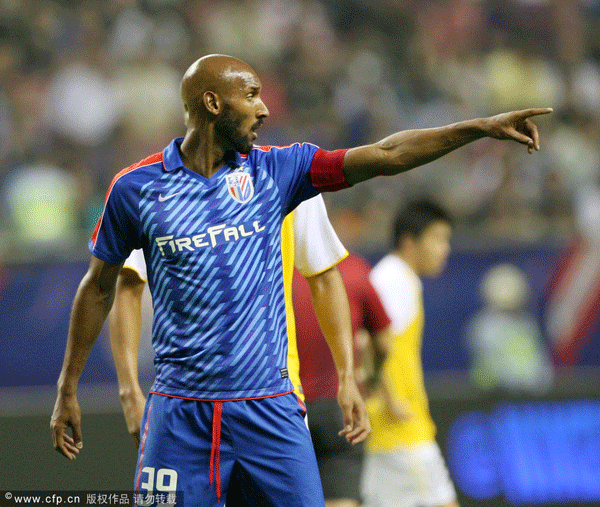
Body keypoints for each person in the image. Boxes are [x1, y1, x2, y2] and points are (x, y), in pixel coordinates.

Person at [50, 53, 551, 507]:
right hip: (180, 416)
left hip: (271, 412)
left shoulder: (278, 171)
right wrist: (68, 385)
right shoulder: (136, 188)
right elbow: (100, 287)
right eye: (250, 95)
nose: (264, 109)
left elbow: (387, 154)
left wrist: (479, 128)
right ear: (211, 103)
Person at [108, 194, 351, 448]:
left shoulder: (291, 172)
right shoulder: (151, 185)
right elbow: (128, 286)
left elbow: (324, 275)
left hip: (276, 394)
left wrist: (347, 378)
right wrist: (129, 391)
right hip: (186, 397)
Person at [361, 200, 457, 507]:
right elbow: (365, 341)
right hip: (401, 431)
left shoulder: (394, 277)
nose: (445, 249)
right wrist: (388, 397)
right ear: (408, 241)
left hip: (387, 431)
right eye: (438, 239)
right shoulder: (395, 280)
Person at [293, 252, 391, 507]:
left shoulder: (269, 266)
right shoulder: (355, 269)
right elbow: (383, 342)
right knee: (342, 498)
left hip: (285, 407)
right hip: (340, 406)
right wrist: (373, 377)